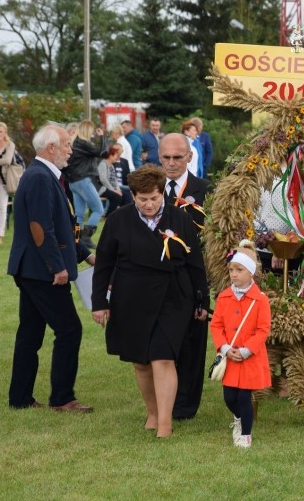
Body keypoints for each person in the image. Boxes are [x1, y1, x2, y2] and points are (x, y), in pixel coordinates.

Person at [91, 165, 210, 438]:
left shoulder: (180, 219)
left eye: (154, 198)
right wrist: (100, 303)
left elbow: (195, 264)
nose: (149, 204)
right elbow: (104, 265)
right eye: (142, 199)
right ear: (132, 195)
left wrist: (202, 299)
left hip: (174, 297)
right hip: (130, 298)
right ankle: (153, 412)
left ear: (162, 195)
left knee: (162, 357)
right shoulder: (118, 220)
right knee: (141, 362)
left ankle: (165, 425)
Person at [7, 125, 95, 412]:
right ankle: (62, 398)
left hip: (34, 269)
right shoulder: (39, 177)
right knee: (69, 329)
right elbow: (40, 228)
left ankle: (20, 398)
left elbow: (63, 227)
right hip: (41, 272)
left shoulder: (47, 176)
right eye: (67, 144)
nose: (71, 150)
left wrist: (84, 256)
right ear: (51, 148)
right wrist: (57, 267)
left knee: (30, 335)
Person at [158, 133, 212, 420]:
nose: (171, 163)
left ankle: (185, 405)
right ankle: (162, 399)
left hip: (192, 276)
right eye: (165, 157)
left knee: (191, 342)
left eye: (177, 157)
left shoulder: (206, 190)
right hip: (156, 277)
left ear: (190, 157)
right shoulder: (150, 189)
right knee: (161, 342)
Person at [209, 240, 272, 448]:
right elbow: (216, 325)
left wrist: (246, 350)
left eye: (239, 270)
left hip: (248, 358)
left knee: (244, 396)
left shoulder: (260, 300)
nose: (234, 274)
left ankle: (246, 434)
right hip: (230, 356)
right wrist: (225, 348)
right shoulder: (225, 297)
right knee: (229, 397)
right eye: (231, 270)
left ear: (251, 273)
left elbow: (263, 329)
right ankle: (238, 418)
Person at [64, 120, 107, 248]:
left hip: (73, 182)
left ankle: (76, 239)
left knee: (79, 214)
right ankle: (86, 237)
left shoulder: (74, 143)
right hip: (83, 180)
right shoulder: (83, 143)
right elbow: (102, 153)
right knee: (98, 209)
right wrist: (102, 137)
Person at [98, 145, 128, 216]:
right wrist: (113, 190)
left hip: (109, 189)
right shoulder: (103, 164)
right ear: (111, 156)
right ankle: (108, 215)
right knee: (117, 197)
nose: (117, 157)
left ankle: (123, 214)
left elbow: (115, 180)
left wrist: (118, 190)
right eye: (115, 155)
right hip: (101, 189)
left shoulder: (111, 165)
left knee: (126, 196)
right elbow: (103, 179)